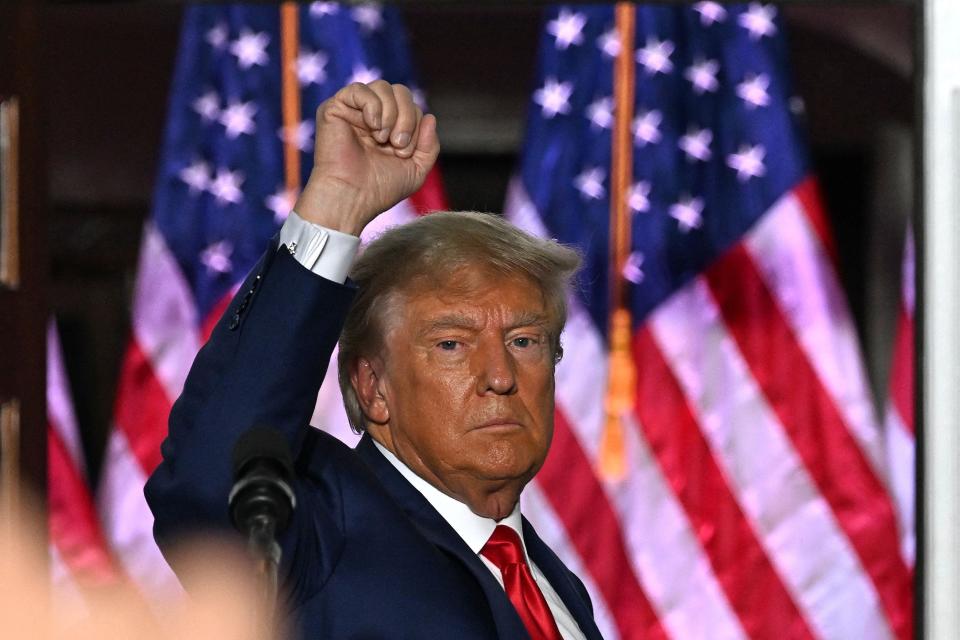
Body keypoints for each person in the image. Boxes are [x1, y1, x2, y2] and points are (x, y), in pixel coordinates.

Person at [145, 81, 602, 640]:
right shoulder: (325, 525)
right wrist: (335, 206)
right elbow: (212, 477)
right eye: (452, 344)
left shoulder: (558, 589)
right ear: (372, 387)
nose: (501, 377)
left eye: (524, 341)